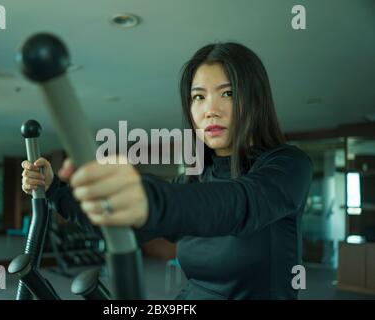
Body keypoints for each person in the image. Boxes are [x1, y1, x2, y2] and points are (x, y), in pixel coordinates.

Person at [21, 42, 313, 300]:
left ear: (256, 98)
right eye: (198, 97)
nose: (210, 109)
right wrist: (55, 189)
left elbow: (240, 203)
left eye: (228, 93)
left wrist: (148, 199)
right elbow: (117, 226)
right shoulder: (193, 177)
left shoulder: (287, 166)